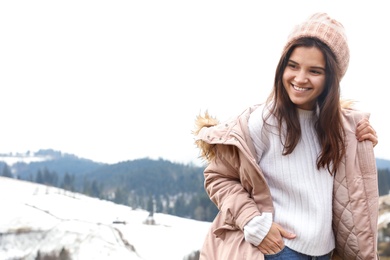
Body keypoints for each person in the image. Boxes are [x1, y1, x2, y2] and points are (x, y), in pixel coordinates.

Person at [193, 13, 379, 260]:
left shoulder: (340, 128)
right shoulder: (262, 122)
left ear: (331, 79)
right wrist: (252, 222)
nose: (300, 78)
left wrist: (361, 146)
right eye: (293, 66)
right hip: (280, 251)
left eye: (314, 71)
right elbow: (219, 177)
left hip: (325, 253)